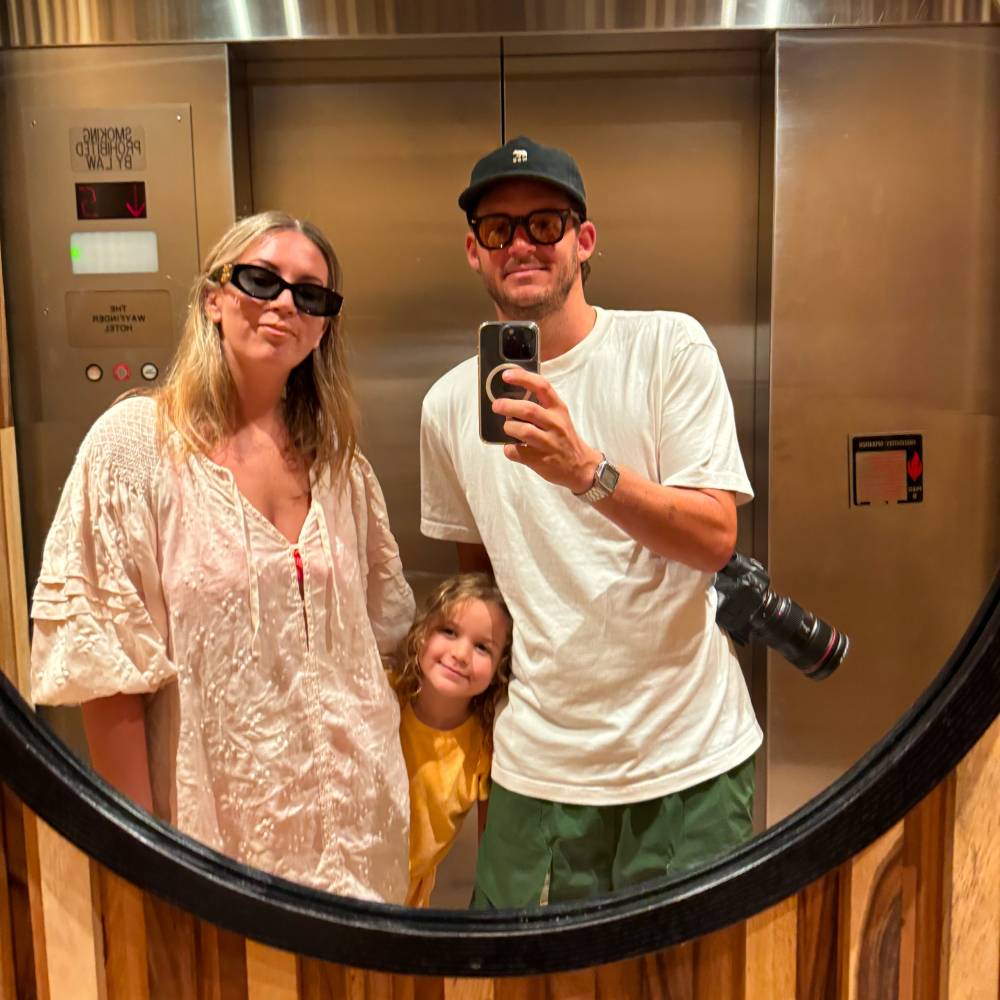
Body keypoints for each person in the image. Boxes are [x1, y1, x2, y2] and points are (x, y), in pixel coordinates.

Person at [30, 211, 415, 903]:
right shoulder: (135, 449)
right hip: (213, 845)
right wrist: (141, 853)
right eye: (260, 279)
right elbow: (107, 666)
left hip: (358, 836)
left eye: (310, 293)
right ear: (214, 297)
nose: (284, 303)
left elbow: (376, 640)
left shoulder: (339, 465)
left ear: (324, 323)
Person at [420, 136, 763, 908]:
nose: (522, 245)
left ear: (584, 240)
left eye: (545, 224)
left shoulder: (668, 347)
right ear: (474, 252)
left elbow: (713, 537)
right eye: (499, 230)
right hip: (538, 765)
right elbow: (486, 583)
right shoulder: (446, 406)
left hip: (687, 758)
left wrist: (588, 474)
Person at [389, 573, 512, 907]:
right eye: (449, 631)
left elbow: (492, 847)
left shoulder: (486, 747)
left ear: (501, 667)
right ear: (422, 633)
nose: (460, 654)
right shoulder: (384, 696)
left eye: (482, 647)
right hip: (347, 884)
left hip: (409, 902)